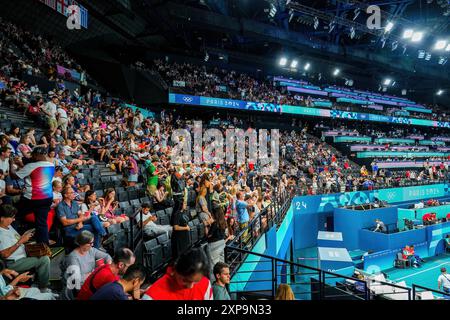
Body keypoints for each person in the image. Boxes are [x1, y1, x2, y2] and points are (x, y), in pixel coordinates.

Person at [0, 205, 51, 292]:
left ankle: (36, 280)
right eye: (12, 217)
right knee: (44, 260)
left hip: (24, 255)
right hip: (14, 262)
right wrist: (21, 241)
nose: (14, 220)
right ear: (2, 218)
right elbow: (4, 254)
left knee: (44, 252)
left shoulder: (8, 226)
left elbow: (17, 241)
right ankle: (43, 288)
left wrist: (26, 240)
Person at [9, 147, 55, 244]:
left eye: (33, 155)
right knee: (42, 223)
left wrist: (11, 164)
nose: (32, 156)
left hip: (32, 198)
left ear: (37, 155)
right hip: (47, 198)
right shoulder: (51, 165)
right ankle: (43, 245)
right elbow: (32, 171)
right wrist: (21, 165)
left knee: (15, 216)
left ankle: (11, 240)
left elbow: (14, 176)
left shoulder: (31, 166)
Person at [142, 247, 213, 300]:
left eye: (195, 282)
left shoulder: (205, 283)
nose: (190, 286)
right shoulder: (152, 296)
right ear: (175, 270)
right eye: (185, 280)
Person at [60, 231, 112, 300]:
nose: (92, 245)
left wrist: (108, 264)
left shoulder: (91, 250)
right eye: (90, 243)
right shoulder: (73, 258)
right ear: (82, 243)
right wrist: (94, 273)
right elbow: (77, 280)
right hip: (77, 289)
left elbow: (107, 257)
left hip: (89, 282)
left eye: (92, 242)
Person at [170, 167, 190, 258]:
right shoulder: (173, 177)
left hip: (184, 238)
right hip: (177, 197)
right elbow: (176, 227)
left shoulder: (180, 178)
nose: (181, 175)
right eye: (180, 173)